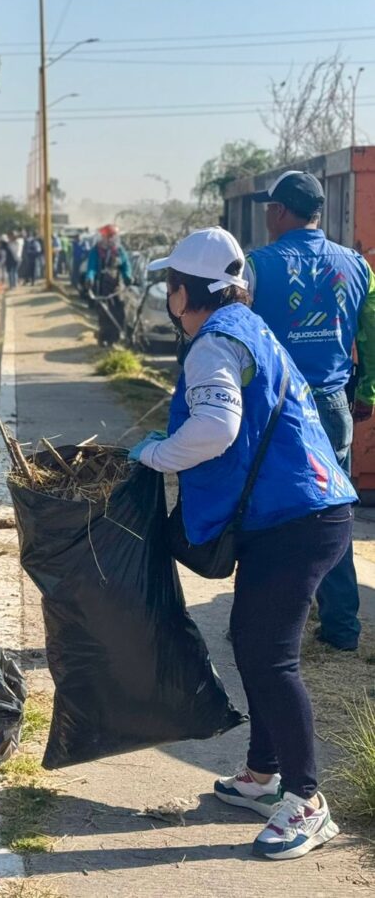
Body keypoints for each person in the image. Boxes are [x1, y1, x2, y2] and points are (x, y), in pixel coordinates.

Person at [129, 227, 354, 862]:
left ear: (184, 293)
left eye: (171, 284)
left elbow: (216, 429)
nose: (169, 295)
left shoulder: (212, 346)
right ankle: (262, 776)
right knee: (252, 642)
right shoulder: (247, 328)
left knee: (269, 655)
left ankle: (308, 802)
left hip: (296, 520)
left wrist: (153, 455)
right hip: (301, 511)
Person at [246, 170, 375, 652]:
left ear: (279, 211)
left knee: (272, 513)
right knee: (332, 513)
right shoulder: (357, 265)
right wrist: (369, 392)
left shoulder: (256, 266)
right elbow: (373, 332)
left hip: (277, 408)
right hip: (333, 404)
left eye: (268, 207)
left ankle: (275, 621)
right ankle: (342, 627)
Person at [86, 224, 132, 344]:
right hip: (102, 286)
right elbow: (91, 267)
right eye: (110, 237)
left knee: (119, 311)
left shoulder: (119, 250)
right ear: (103, 237)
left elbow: (125, 266)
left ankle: (116, 338)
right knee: (104, 313)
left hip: (117, 287)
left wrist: (127, 277)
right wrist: (89, 278)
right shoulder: (96, 251)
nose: (112, 239)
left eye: (114, 237)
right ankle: (104, 338)